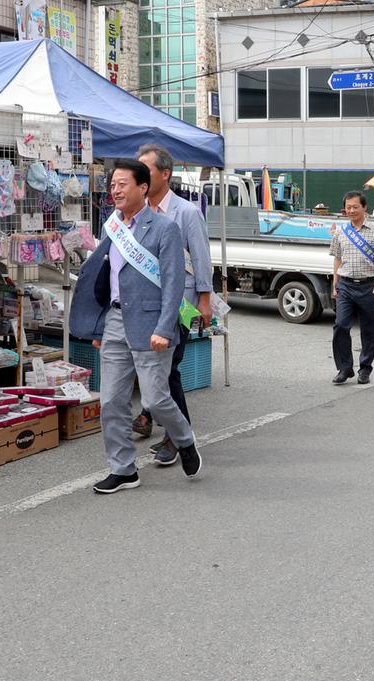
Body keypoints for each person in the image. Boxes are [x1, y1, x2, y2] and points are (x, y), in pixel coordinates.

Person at [70, 159, 201, 494]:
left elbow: (173, 283)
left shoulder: (164, 228)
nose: (115, 190)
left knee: (156, 400)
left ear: (143, 188)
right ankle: (124, 469)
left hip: (151, 323)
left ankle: (184, 440)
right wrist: (99, 326)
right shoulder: (110, 225)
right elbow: (104, 278)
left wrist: (166, 327)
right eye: (112, 184)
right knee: (112, 400)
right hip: (114, 321)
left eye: (122, 184)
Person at [128, 144, 213, 467]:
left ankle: (176, 437)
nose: (139, 176)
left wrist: (204, 299)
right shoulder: (135, 212)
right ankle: (152, 415)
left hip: (180, 305)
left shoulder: (186, 213)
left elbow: (201, 258)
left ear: (165, 174)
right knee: (153, 366)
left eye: (145, 169)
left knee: (169, 370)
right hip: (143, 303)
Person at [330, 191, 374, 386]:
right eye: (348, 207)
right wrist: (334, 284)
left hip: (369, 285)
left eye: (355, 207)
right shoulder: (340, 232)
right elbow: (337, 259)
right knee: (341, 326)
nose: (351, 210)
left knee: (369, 329)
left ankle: (365, 368)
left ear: (365, 207)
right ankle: (345, 368)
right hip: (345, 285)